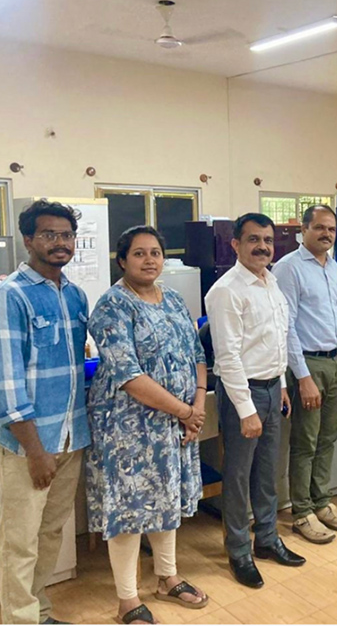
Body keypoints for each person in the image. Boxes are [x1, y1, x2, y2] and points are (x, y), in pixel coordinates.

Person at [86, 226, 208, 625]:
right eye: (139, 254)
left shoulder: (172, 297)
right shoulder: (111, 306)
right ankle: (127, 599)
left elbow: (197, 354)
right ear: (122, 261)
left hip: (175, 423)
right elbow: (129, 376)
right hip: (127, 427)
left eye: (155, 252)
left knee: (166, 500)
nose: (150, 260)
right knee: (129, 509)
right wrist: (185, 412)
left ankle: (168, 578)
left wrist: (198, 403)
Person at [0, 200, 90, 625]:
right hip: (29, 446)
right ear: (28, 240)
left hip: (70, 438)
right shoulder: (9, 296)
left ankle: (39, 611)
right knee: (20, 542)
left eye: (66, 235)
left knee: (49, 535)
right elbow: (6, 384)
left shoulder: (75, 295)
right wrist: (35, 450)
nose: (60, 243)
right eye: (49, 234)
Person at [205, 213, 305, 589]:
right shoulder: (227, 291)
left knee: (267, 471)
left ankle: (266, 539)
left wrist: (280, 383)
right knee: (238, 475)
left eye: (267, 239)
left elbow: (275, 342)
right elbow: (227, 357)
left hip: (270, 388)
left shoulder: (271, 282)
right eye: (253, 240)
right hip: (240, 393)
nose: (262, 246)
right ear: (235, 245)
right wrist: (247, 410)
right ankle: (238, 551)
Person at [272, 205, 337, 545]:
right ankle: (301, 512)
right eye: (320, 228)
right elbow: (287, 327)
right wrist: (303, 377)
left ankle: (322, 502)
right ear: (303, 230)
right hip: (309, 364)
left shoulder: (333, 264)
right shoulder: (289, 268)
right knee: (305, 442)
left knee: (327, 438)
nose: (327, 234)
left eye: (331, 229)